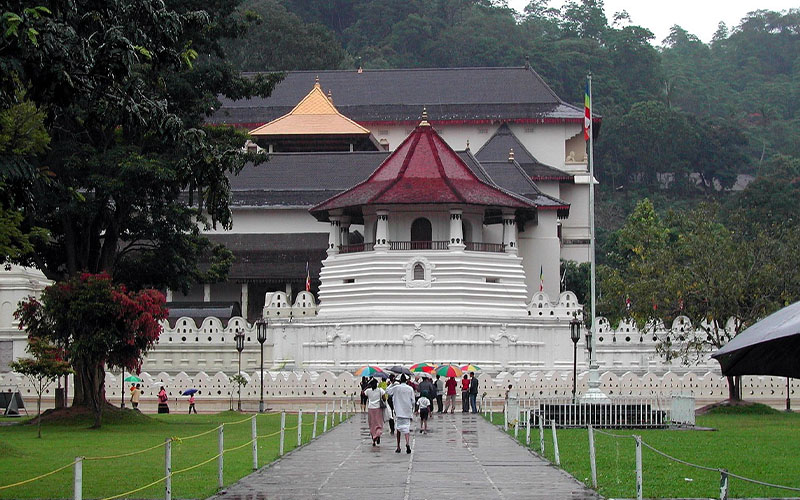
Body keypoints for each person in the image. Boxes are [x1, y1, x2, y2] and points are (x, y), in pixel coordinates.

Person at [387, 374, 415, 454]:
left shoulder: (396, 388)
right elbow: (413, 401)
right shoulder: (410, 389)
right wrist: (412, 410)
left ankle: (398, 446)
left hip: (398, 412)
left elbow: (387, 391)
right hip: (407, 411)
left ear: (399, 380)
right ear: (406, 380)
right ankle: (407, 443)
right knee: (406, 429)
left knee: (398, 429)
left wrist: (392, 383)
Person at [364, 378, 385, 446]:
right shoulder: (380, 390)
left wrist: (367, 386)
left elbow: (363, 393)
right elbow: (384, 398)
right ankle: (378, 434)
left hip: (371, 408)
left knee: (372, 424)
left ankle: (373, 438)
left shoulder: (368, 391)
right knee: (378, 423)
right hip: (378, 408)